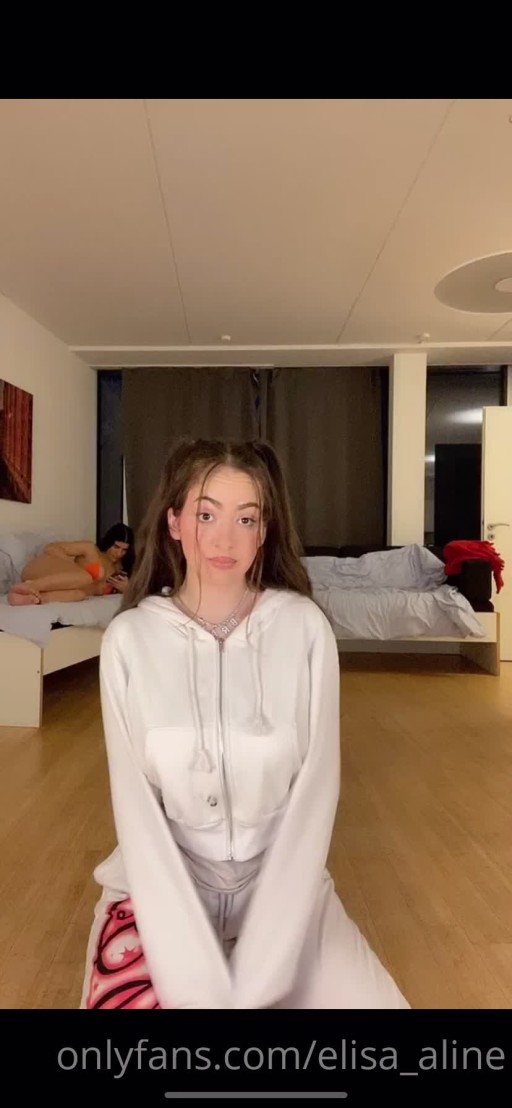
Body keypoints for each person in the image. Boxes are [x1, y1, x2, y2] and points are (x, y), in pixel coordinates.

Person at [80, 439, 409, 1010]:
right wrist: (194, 983)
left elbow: (315, 795)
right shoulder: (130, 640)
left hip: (282, 886)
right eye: (206, 515)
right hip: (157, 888)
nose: (225, 539)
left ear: (264, 531)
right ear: (174, 523)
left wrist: (265, 963)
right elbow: (136, 811)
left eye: (246, 518)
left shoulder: (304, 629)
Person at [7, 523, 135, 606]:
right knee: (85, 577)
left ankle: (32, 599)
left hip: (58, 587)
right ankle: (29, 587)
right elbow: (51, 548)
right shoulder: (90, 549)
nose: (119, 553)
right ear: (109, 542)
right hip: (39, 568)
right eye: (116, 547)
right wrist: (72, 567)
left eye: (124, 550)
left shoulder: (120, 570)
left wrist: (126, 589)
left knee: (79, 595)